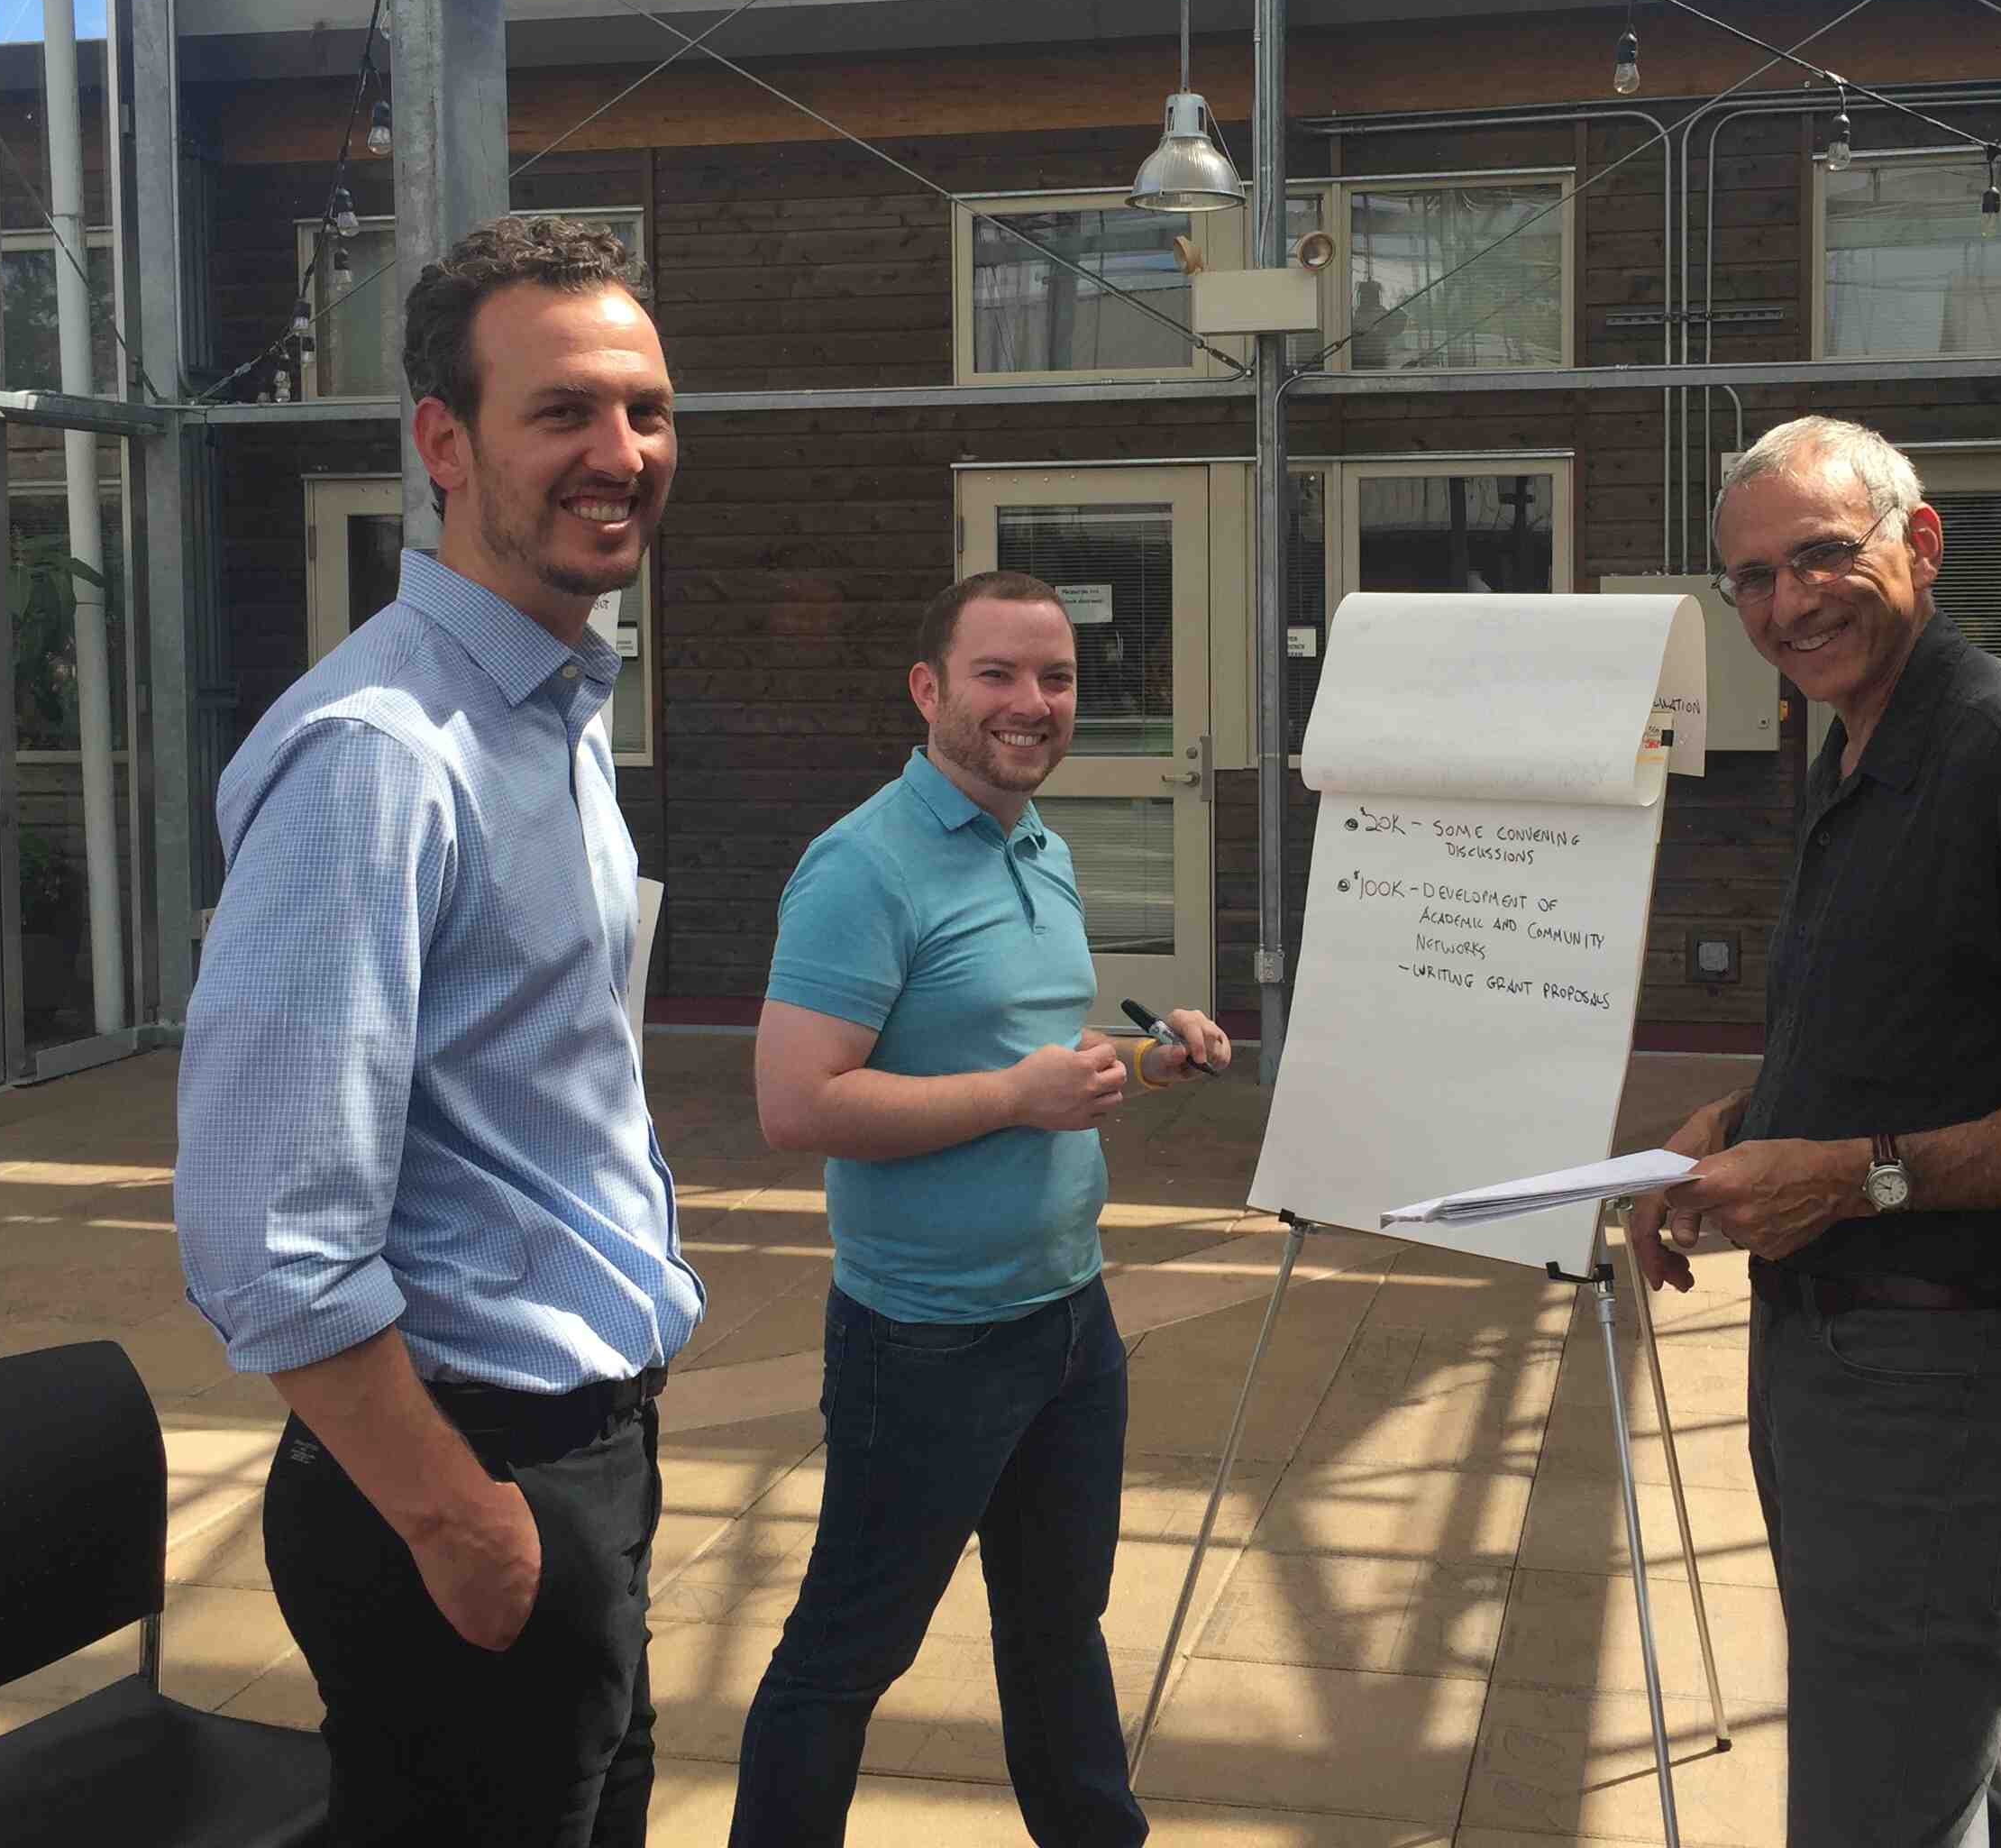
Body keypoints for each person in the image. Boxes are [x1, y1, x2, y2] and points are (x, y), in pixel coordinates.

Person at [1627, 415, 2001, 1848]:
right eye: (1754, 580)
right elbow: (1910, 1027)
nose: (1789, 604)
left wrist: (1858, 1173)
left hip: (1936, 1366)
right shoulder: (1853, 748)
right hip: (1840, 1351)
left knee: (1875, 1794)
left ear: (1922, 543)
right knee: (1923, 1759)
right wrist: (1740, 1125)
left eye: (1824, 555)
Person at [175, 215, 701, 1848]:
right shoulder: (380, 757)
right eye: (564, 412)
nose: (620, 453)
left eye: (648, 410)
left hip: (576, 1451)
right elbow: (266, 1234)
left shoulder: (548, 713)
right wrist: (460, 1520)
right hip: (465, 1472)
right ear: (443, 445)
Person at [728, 569, 1233, 1848]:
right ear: (929, 690)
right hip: (927, 1340)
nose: (1032, 703)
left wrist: (1143, 1057)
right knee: (847, 1654)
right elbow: (797, 1104)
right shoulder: (861, 866)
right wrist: (1017, 1097)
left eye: (1055, 678)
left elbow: (1014, 1043)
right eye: (998, 674)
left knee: (1059, 1628)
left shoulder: (1039, 845)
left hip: (1069, 1322)